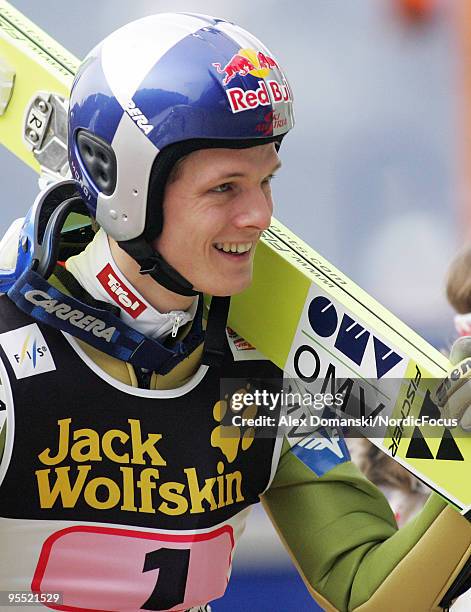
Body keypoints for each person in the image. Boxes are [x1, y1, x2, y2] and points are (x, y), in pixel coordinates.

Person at [0, 13, 469, 612]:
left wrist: (461, 465)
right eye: (225, 187)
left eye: (266, 180)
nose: (260, 215)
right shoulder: (11, 361)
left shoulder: (257, 381)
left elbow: (364, 590)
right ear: (122, 187)